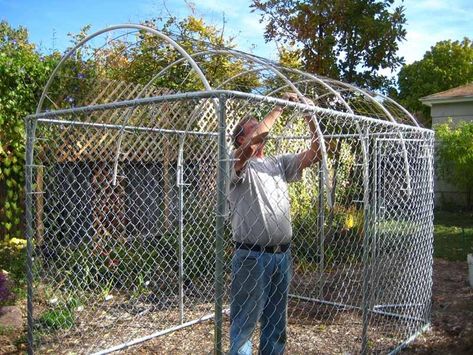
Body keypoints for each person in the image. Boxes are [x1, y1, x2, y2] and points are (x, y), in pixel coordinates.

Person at [227, 93, 322, 355]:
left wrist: (308, 115)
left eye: (260, 126)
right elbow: (253, 144)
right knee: (245, 324)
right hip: (251, 257)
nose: (260, 132)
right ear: (240, 139)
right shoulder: (235, 163)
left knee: (276, 323)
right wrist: (280, 106)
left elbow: (317, 154)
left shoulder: (278, 163)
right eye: (253, 129)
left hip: (281, 256)